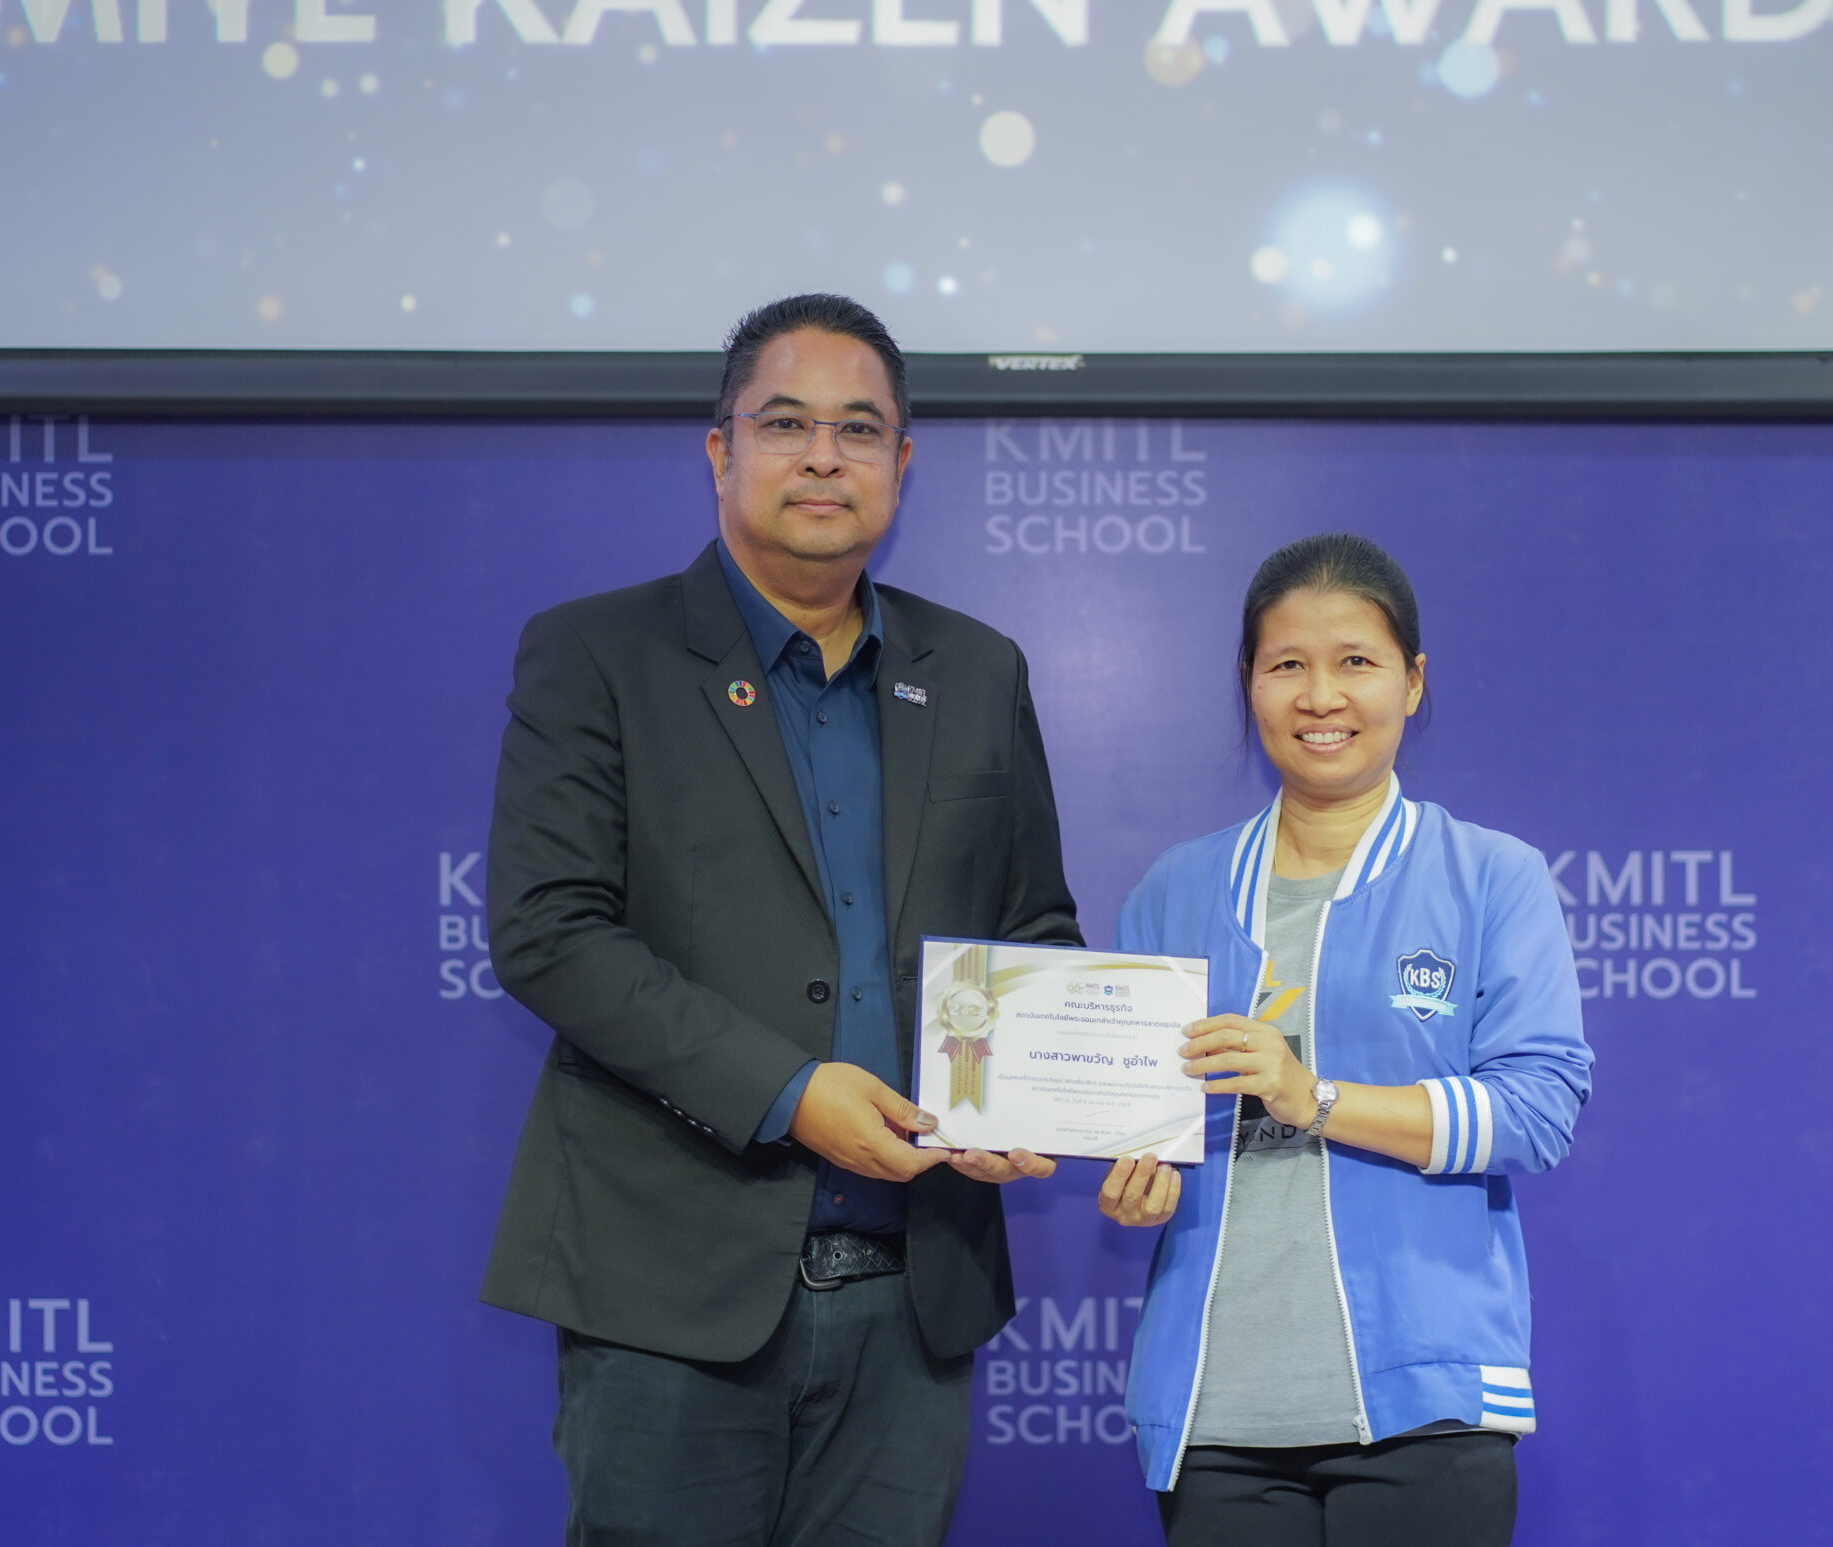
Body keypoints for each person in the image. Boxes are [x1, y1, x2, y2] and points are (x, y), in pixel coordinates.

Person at [479, 293, 1080, 1546]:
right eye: (785, 423)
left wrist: (1023, 1098)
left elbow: (1029, 930)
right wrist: (790, 1093)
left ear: (900, 464)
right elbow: (549, 930)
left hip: (914, 1302)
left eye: (858, 429)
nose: (822, 456)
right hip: (669, 1295)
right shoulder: (598, 655)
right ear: (721, 450)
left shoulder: (978, 671)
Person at [1097, 532, 1593, 1547]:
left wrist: (1312, 1096)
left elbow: (1538, 1111)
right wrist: (1133, 1176)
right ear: (1249, 684)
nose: (1320, 696)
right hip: (1216, 1411)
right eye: (1287, 665)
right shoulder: (1175, 890)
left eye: (1356, 661)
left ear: (1412, 681)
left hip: (1427, 1405)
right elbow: (1138, 1116)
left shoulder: (1492, 876)